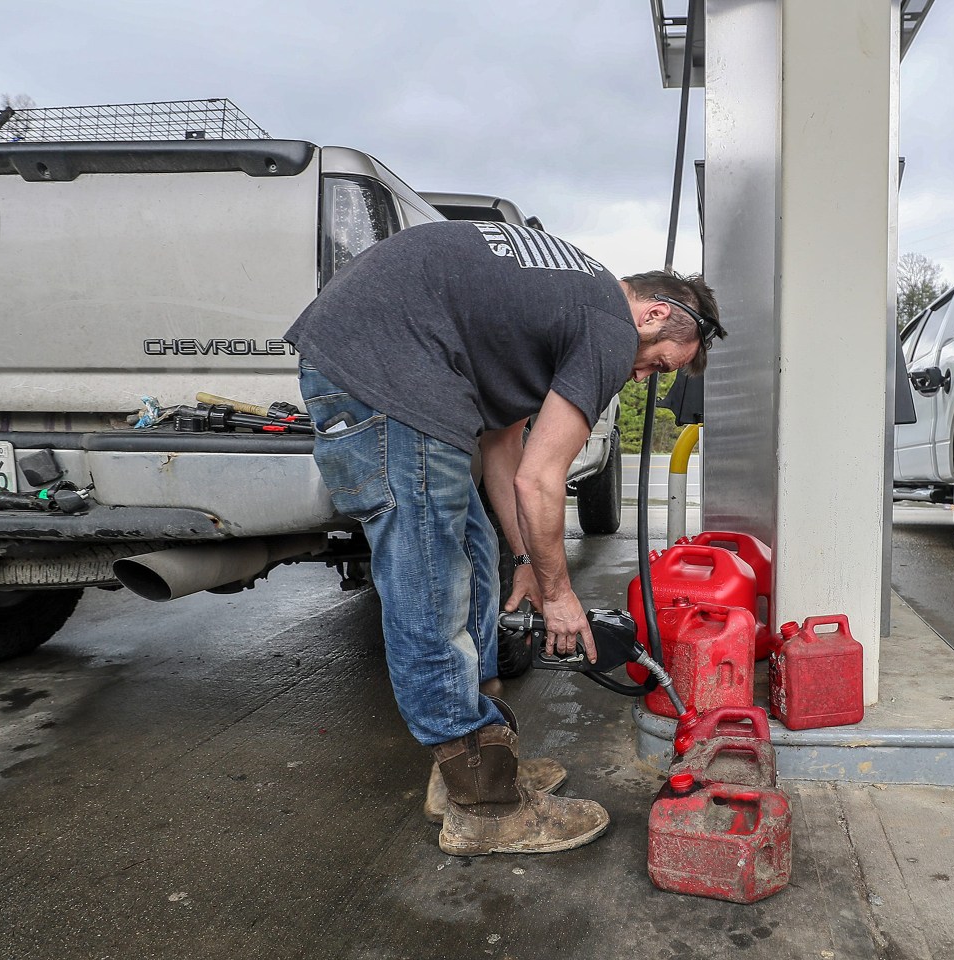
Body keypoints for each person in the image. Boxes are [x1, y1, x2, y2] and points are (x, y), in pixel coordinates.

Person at [285, 218, 723, 854]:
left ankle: (476, 759)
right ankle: (485, 806)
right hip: (388, 373)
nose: (639, 379)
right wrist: (560, 592)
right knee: (431, 590)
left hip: (401, 370)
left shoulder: (555, 306)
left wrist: (526, 558)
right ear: (654, 312)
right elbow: (541, 482)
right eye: (657, 363)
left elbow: (505, 452)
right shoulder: (605, 319)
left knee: (471, 562)